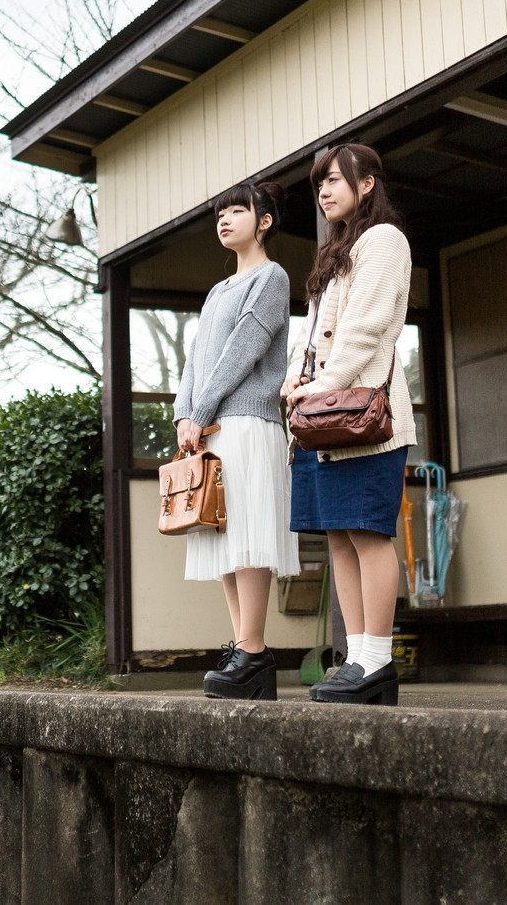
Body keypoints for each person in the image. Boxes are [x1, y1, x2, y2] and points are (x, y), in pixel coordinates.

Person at [282, 143, 415, 706]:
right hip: (323, 419)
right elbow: (312, 336)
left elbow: (363, 331)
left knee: (367, 533)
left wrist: (316, 387)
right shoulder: (337, 251)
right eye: (319, 185)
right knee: (339, 535)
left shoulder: (384, 240)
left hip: (360, 417)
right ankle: (356, 657)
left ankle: (378, 662)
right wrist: (293, 380)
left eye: (334, 180)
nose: (324, 191)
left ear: (366, 184)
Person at [173, 179, 300, 701]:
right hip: (211, 428)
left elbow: (247, 346)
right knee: (223, 537)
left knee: (247, 536)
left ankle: (252, 650)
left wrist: (200, 411)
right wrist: (184, 413)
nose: (224, 220)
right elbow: (196, 358)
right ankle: (246, 653)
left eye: (236, 211)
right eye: (219, 213)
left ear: (263, 221)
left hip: (246, 424)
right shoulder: (217, 290)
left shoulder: (271, 277)